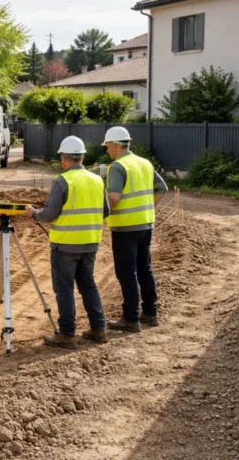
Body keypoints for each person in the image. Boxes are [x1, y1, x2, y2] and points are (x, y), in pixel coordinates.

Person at [25, 136, 109, 349]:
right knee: (88, 285)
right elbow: (106, 211)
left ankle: (67, 334)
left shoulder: (63, 181)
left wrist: (33, 213)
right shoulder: (97, 180)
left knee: (64, 289)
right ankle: (99, 329)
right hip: (90, 242)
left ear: (64, 159)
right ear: (82, 157)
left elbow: (50, 214)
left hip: (65, 246)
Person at [102, 126, 168, 332]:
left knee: (126, 272)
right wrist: (148, 207)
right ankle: (150, 312)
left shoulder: (118, 166)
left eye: (107, 147)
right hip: (146, 224)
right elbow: (162, 188)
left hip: (125, 227)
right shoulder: (145, 163)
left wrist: (99, 213)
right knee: (144, 268)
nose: (106, 151)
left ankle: (130, 318)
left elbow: (114, 197)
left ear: (114, 145)